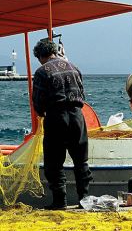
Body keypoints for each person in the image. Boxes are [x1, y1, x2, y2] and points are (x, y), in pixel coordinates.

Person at [32, 39, 92, 209]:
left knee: (54, 162)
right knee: (81, 161)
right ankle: (84, 199)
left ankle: (60, 201)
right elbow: (82, 94)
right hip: (77, 116)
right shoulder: (74, 67)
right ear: (55, 51)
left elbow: (38, 100)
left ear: (40, 56)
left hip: (56, 117)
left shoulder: (42, 72)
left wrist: (42, 113)